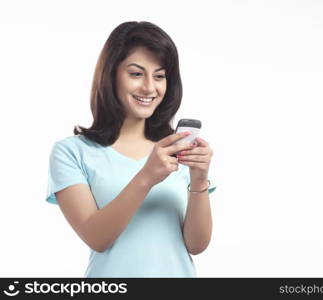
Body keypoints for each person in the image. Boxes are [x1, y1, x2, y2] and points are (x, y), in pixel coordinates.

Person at [45, 21, 217, 277]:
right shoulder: (71, 152)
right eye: (136, 74)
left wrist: (199, 179)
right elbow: (96, 237)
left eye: (159, 76)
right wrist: (147, 177)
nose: (149, 87)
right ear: (111, 74)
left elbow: (196, 245)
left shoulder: (176, 149)